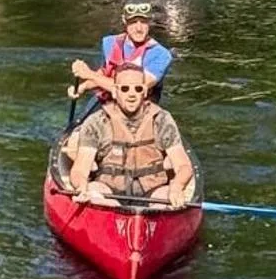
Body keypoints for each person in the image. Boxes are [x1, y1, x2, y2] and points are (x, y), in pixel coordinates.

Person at [67, 63, 197, 209]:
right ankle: (111, 211)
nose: (131, 94)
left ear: (145, 92)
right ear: (115, 91)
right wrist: (82, 186)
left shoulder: (162, 120)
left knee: (167, 199)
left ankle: (155, 216)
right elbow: (80, 170)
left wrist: (176, 187)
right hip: (108, 190)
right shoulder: (97, 122)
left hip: (154, 190)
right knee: (93, 192)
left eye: (138, 88)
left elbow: (184, 166)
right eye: (124, 88)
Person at [71, 0, 174, 106]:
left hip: (139, 110)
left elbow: (131, 89)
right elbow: (105, 72)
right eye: (133, 22)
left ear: (150, 22)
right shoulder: (110, 43)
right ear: (124, 21)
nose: (139, 28)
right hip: (109, 103)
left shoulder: (161, 55)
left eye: (143, 22)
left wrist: (89, 74)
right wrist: (82, 87)